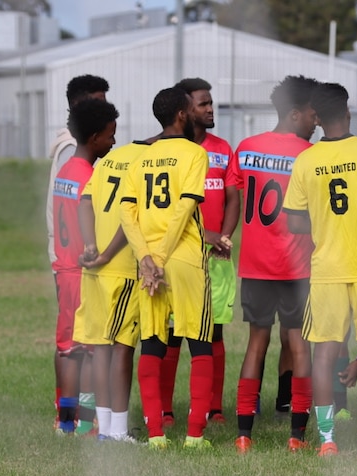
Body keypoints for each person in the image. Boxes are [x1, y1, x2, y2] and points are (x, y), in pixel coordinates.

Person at [284, 82, 357, 460]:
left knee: (324, 354)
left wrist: (323, 225)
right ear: (347, 112)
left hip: (327, 269)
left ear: (315, 117)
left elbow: (293, 220)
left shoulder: (306, 159)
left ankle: (328, 441)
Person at [119, 86, 222, 450]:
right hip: (183, 260)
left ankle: (157, 436)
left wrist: (145, 257)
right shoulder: (195, 154)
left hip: (147, 264)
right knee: (200, 341)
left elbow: (126, 213)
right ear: (182, 115)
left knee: (151, 341)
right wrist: (161, 257)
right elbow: (183, 210)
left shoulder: (139, 157)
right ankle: (195, 435)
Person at [224, 75, 319, 453]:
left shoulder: (246, 148)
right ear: (296, 114)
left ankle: (244, 434)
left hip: (255, 266)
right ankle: (296, 436)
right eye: (313, 115)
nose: (316, 122)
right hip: (297, 268)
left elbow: (235, 193)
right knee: (298, 345)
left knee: (256, 344)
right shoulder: (309, 155)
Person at [154, 77, 238, 426]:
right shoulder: (168, 152)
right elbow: (170, 209)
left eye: (210, 102)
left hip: (215, 259)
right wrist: (207, 235)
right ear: (185, 111)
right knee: (172, 334)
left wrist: (226, 236)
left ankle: (214, 408)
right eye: (203, 104)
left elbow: (233, 195)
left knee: (214, 331)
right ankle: (167, 410)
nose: (209, 109)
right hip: (178, 255)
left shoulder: (222, 148)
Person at [75, 136, 150, 442]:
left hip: (94, 271)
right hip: (122, 269)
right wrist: (108, 253)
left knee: (101, 349)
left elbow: (84, 203)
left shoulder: (108, 160)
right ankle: (118, 431)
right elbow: (129, 215)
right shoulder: (146, 162)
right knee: (123, 349)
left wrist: (92, 245)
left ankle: (104, 428)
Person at [52, 98, 119, 435]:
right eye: (110, 136)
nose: (114, 142)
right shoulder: (90, 177)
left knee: (67, 350)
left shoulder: (65, 171)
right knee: (93, 351)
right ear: (95, 137)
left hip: (64, 271)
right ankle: (90, 423)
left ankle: (65, 423)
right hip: (85, 272)